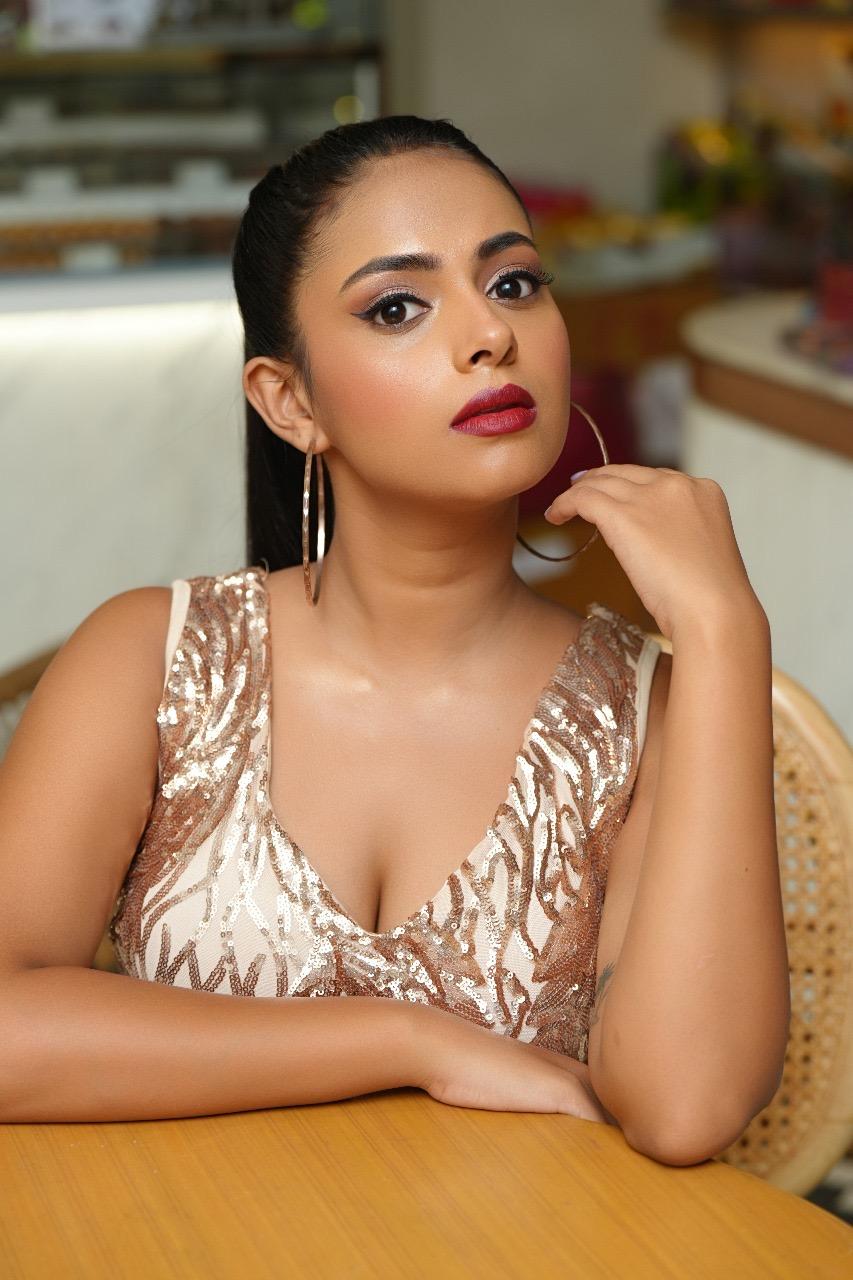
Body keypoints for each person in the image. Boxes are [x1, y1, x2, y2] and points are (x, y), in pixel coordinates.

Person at [0, 117, 788, 1166]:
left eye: (513, 283)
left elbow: (685, 1111)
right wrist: (408, 1041)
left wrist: (726, 633)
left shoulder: (651, 705)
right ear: (290, 402)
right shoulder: (152, 657)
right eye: (397, 307)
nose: (489, 333)